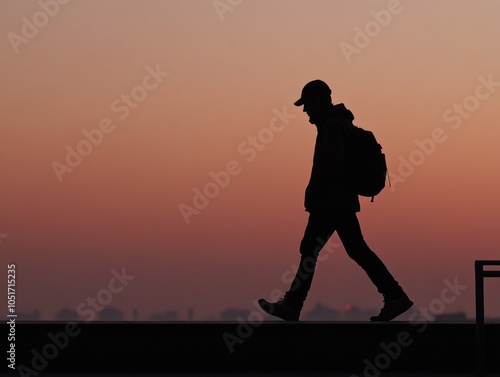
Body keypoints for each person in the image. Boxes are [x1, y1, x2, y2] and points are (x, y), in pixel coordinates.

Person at [258, 80, 413, 321]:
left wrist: (318, 199)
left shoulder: (331, 127)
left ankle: (292, 305)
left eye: (307, 103)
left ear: (320, 100)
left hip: (331, 203)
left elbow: (331, 167)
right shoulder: (337, 124)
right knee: (354, 249)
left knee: (311, 248)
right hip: (339, 202)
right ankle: (395, 296)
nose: (305, 110)